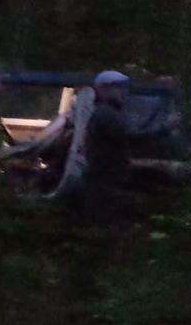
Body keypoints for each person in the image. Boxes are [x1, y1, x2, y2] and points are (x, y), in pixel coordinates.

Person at [76, 70, 180, 216]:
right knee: (105, 220)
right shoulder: (106, 114)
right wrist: (165, 129)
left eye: (123, 87)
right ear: (102, 89)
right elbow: (132, 137)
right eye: (116, 87)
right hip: (104, 181)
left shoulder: (108, 113)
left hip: (105, 179)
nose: (122, 92)